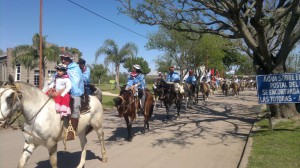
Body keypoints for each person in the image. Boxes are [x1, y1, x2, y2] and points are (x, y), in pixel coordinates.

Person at [60, 52, 84, 141]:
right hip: (62, 90)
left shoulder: (75, 68)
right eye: (62, 58)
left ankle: (72, 131)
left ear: (69, 60)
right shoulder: (62, 67)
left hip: (75, 91)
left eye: (65, 59)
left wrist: (67, 90)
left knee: (75, 107)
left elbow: (75, 82)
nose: (63, 60)